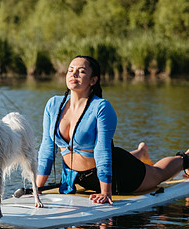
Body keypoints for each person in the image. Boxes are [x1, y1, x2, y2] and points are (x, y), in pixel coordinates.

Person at [36, 55, 188, 205]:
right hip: (79, 177)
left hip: (117, 174)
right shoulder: (53, 105)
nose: (74, 74)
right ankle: (141, 153)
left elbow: (102, 151)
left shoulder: (101, 107)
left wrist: (106, 192)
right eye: (70, 70)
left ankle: (185, 159)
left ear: (93, 80)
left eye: (81, 71)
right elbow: (47, 148)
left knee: (158, 174)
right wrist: (38, 187)